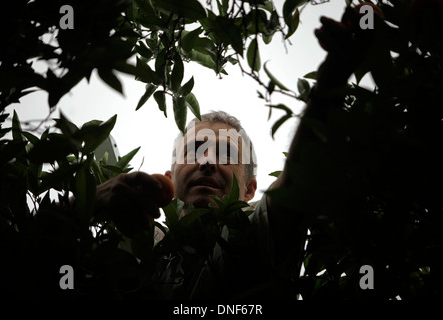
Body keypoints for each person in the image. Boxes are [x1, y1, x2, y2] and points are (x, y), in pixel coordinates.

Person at [93, 5, 377, 299]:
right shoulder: (137, 243)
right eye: (195, 151)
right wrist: (86, 203)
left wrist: (332, 81)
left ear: (250, 189)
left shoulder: (254, 232)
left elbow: (297, 181)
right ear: (169, 179)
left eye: (227, 155)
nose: (207, 163)